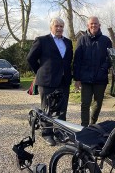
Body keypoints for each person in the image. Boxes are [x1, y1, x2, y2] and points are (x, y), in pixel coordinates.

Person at [27, 17, 73, 146]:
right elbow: (30, 58)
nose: (59, 28)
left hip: (64, 80)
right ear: (51, 27)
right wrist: (40, 71)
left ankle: (60, 132)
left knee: (62, 109)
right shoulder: (42, 41)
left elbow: (67, 61)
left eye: (61, 26)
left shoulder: (68, 43)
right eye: (57, 26)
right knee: (47, 108)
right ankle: (47, 134)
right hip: (47, 80)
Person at [73, 16, 112, 127]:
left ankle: (92, 123)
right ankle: (84, 126)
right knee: (85, 103)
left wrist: (104, 68)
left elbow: (110, 58)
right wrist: (77, 78)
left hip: (100, 78)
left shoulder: (106, 40)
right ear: (88, 26)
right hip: (85, 78)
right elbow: (77, 59)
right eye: (91, 23)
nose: (94, 25)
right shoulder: (82, 39)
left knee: (98, 103)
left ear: (99, 25)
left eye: (96, 23)